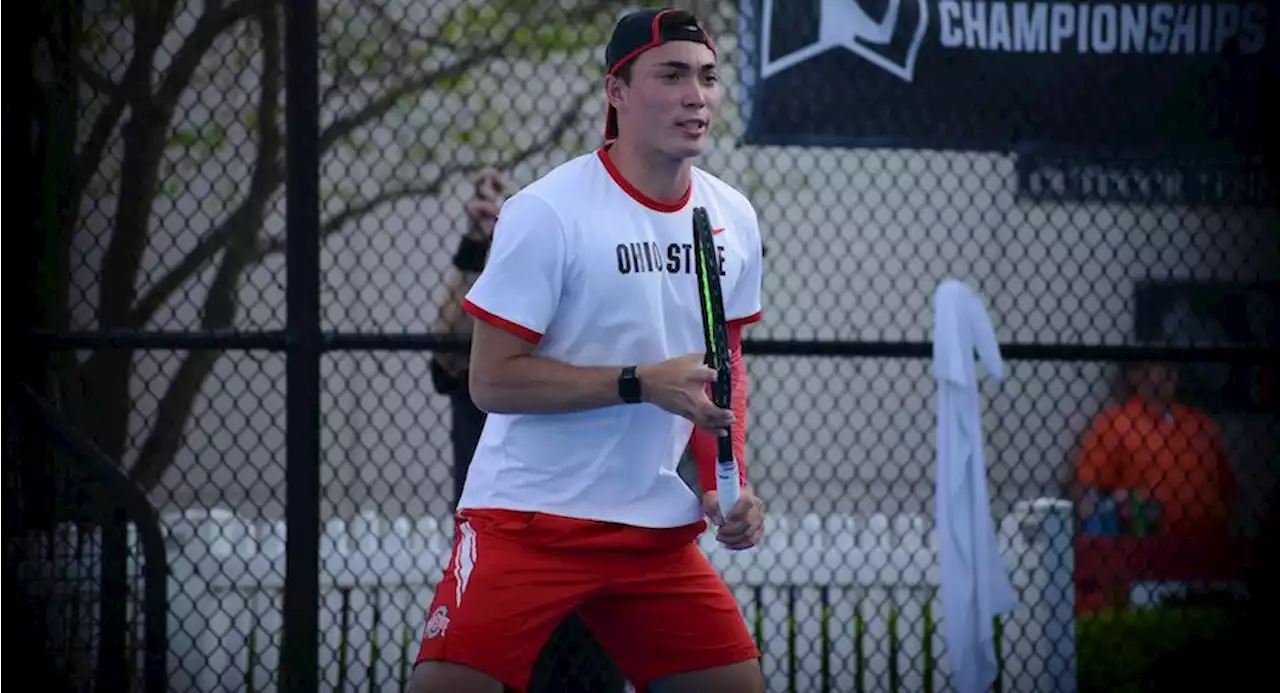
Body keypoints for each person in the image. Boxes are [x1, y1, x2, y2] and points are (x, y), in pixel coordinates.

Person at [409, 8, 767, 693]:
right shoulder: (547, 212)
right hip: (526, 522)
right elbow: (490, 380)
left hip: (650, 529)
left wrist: (730, 483)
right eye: (671, 75)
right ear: (617, 92)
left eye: (708, 77)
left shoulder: (733, 218)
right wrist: (636, 382)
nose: (697, 95)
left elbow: (723, 372)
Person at [430, 169, 627, 693]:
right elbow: (449, 349)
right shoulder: (497, 348)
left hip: (596, 536)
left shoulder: (597, 346)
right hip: (510, 539)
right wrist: (480, 245)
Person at [1073, 360, 1237, 537]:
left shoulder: (1201, 424)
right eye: (1157, 363)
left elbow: (1227, 490)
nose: (1168, 370)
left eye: (1171, 364)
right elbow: (1085, 491)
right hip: (1146, 547)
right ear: (1134, 375)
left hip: (1208, 545)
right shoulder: (1115, 424)